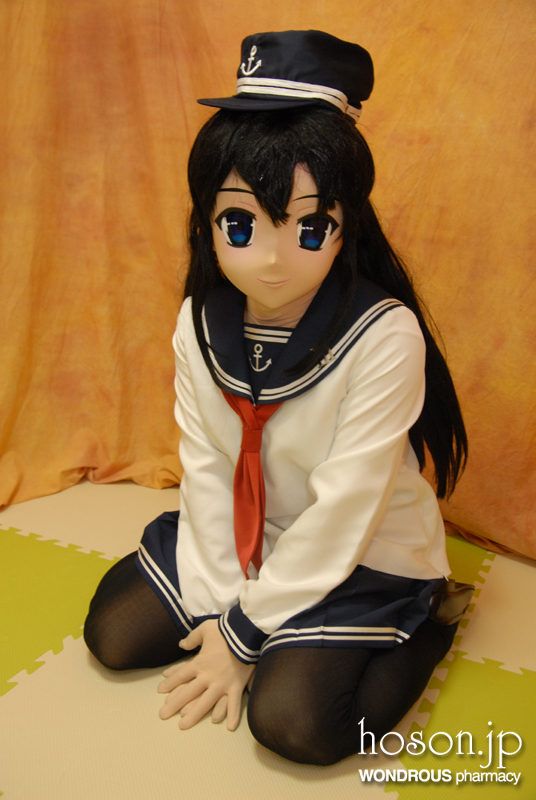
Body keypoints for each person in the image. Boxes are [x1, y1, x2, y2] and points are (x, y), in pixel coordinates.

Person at [84, 30, 470, 766]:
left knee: (294, 723)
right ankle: (264, 616)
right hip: (247, 534)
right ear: (206, 220)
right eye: (241, 225)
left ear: (346, 227)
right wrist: (226, 608)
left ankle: (428, 620)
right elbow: (205, 465)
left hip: (359, 545)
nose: (271, 259)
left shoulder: (385, 334)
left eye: (310, 227)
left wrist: (241, 636)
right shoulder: (198, 320)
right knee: (114, 634)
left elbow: (346, 507)